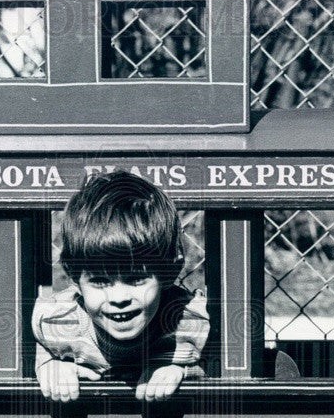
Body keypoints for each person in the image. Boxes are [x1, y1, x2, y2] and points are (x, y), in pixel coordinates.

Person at [33, 171, 209, 402]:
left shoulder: (191, 321)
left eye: (136, 279)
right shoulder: (57, 321)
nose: (118, 298)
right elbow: (37, 347)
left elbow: (220, 362)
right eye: (100, 281)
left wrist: (182, 371)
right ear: (75, 278)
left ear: (169, 272)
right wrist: (50, 366)